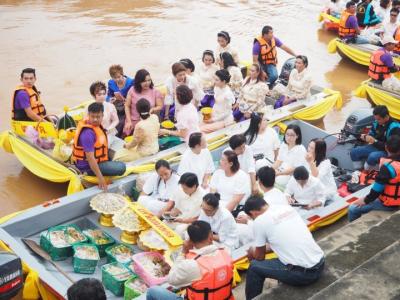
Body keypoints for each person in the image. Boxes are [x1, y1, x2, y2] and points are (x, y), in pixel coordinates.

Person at [244, 196, 325, 300]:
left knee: (254, 267)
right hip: (320, 263)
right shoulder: (286, 208)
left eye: (252, 217)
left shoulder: (259, 221)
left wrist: (252, 251)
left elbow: (259, 257)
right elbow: (281, 241)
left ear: (253, 213)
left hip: (304, 275)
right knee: (282, 258)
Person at [146, 220, 234, 300]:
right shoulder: (226, 253)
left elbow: (171, 280)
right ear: (211, 235)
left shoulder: (191, 264)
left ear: (190, 240)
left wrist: (183, 252)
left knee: (153, 291)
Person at [72, 102, 126, 190]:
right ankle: (94, 172)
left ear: (103, 116)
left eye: (98, 117)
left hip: (98, 160)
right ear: (88, 115)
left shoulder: (96, 126)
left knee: (115, 156)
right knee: (122, 167)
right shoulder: (88, 133)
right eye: (92, 116)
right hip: (87, 167)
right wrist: (100, 178)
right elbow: (90, 158)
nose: (95, 119)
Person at [348, 135, 400, 222]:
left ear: (386, 148)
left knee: (353, 208)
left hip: (390, 204)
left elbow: (377, 190)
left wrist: (365, 200)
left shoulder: (388, 167)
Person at [350, 105, 400, 169]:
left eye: (379, 119)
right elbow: (372, 134)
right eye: (375, 119)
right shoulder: (376, 122)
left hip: (389, 151)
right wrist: (365, 137)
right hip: (376, 145)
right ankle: (358, 171)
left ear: (386, 117)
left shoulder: (395, 128)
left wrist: (374, 141)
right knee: (354, 152)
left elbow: (392, 148)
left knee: (373, 156)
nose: (377, 121)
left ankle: (367, 172)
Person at [123, 69, 163, 135]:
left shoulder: (154, 91)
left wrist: (153, 109)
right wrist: (129, 121)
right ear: (139, 81)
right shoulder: (132, 90)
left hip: (148, 121)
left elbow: (160, 106)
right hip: (133, 121)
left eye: (149, 80)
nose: (147, 83)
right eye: (144, 81)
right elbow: (127, 106)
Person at [88, 81, 119, 148]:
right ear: (93, 95)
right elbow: (86, 122)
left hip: (108, 133)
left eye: (104, 94)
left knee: (104, 145)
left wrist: (108, 129)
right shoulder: (89, 107)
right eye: (99, 94)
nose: (102, 96)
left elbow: (116, 120)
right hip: (93, 133)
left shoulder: (110, 106)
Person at [106, 64, 134, 136]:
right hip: (116, 104)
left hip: (128, 105)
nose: (117, 79)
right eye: (114, 78)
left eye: (119, 77)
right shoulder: (111, 83)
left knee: (120, 122)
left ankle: (120, 135)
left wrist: (126, 100)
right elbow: (109, 95)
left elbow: (134, 96)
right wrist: (110, 99)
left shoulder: (130, 82)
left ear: (122, 74)